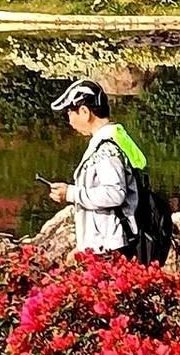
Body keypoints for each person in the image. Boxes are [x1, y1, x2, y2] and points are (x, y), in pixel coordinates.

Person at [47, 79, 143, 257]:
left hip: (111, 247)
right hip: (107, 243)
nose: (69, 120)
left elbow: (114, 194)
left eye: (69, 113)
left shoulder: (106, 149)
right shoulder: (113, 138)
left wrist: (71, 193)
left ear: (84, 112)